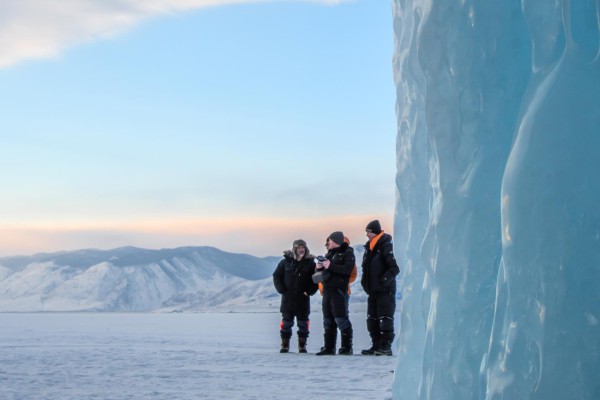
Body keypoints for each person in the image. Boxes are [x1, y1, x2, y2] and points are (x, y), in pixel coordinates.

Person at [360, 219, 400, 356]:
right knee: (372, 319)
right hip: (372, 291)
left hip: (385, 291)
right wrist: (365, 284)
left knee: (385, 318)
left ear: (375, 232)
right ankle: (376, 345)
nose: (367, 235)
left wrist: (384, 281)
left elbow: (395, 267)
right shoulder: (369, 249)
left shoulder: (386, 246)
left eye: (369, 232)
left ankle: (385, 346)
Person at [273, 239, 318, 353]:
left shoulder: (310, 263)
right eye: (299, 247)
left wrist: (310, 291)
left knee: (303, 324)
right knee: (286, 323)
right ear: (294, 249)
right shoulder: (285, 262)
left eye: (303, 247)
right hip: (288, 299)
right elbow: (276, 276)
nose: (301, 249)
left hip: (303, 299)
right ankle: (285, 346)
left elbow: (316, 279)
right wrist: (281, 289)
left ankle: (302, 346)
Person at [315, 231, 356, 356]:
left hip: (339, 291)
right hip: (327, 291)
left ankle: (346, 348)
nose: (328, 243)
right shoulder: (329, 254)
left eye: (330, 241)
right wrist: (319, 267)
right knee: (328, 320)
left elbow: (347, 270)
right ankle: (329, 347)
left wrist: (330, 266)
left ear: (336, 241)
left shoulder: (348, 253)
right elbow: (324, 274)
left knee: (341, 319)